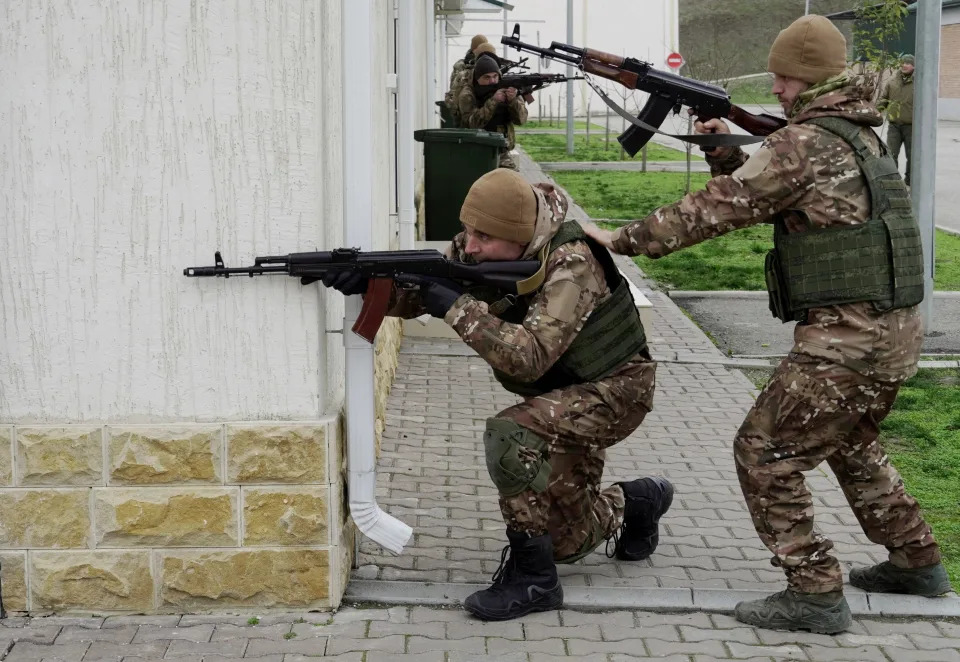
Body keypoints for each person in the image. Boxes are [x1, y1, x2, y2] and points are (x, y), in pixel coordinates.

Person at [585, 15, 949, 634]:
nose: (776, 89)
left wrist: (620, 238)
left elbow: (718, 211)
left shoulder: (802, 142)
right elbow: (773, 197)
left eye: (783, 78)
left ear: (807, 78)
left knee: (764, 452)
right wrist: (726, 151)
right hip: (890, 335)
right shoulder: (861, 136)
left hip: (845, 340)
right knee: (849, 443)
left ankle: (814, 592)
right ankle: (916, 561)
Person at [324, 168, 673, 621]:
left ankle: (533, 581)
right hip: (564, 389)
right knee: (566, 543)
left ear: (519, 235)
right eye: (468, 231)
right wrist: (376, 288)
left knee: (511, 432)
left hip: (617, 392)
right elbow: (431, 293)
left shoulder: (573, 265)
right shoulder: (483, 248)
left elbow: (527, 357)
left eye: (483, 237)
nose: (469, 247)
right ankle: (638, 500)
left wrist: (453, 305)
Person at [457, 50, 527, 170]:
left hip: (501, 151)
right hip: (475, 149)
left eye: (495, 76)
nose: (492, 81)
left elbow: (521, 120)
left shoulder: (505, 87)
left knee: (512, 182)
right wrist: (493, 101)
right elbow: (471, 124)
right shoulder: (467, 94)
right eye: (487, 77)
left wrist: (513, 101)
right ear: (477, 79)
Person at [878, 54, 915, 185]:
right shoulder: (892, 81)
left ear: (914, 66)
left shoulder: (919, 83)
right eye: (903, 62)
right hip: (894, 126)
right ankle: (894, 183)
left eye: (908, 63)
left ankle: (910, 182)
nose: (904, 65)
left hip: (912, 127)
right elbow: (884, 99)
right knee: (891, 154)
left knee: (912, 157)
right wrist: (877, 111)